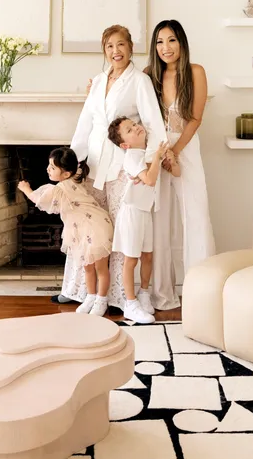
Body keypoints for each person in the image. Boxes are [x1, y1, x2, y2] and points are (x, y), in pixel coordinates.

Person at [59, 24, 167, 312]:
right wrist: (71, 161)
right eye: (109, 46)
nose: (115, 51)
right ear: (104, 51)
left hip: (123, 167)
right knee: (96, 231)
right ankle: (91, 293)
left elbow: (153, 123)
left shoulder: (139, 82)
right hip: (93, 165)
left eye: (120, 45)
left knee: (123, 232)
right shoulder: (97, 81)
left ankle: (125, 296)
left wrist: (149, 161)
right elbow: (86, 123)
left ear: (130, 47)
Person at [146, 19, 215, 310]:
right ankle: (163, 295)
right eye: (160, 42)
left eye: (171, 40)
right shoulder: (149, 74)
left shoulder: (195, 72)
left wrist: (174, 150)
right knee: (159, 222)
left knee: (195, 216)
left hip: (185, 148)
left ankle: (203, 295)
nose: (166, 48)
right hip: (157, 152)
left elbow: (195, 118)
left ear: (181, 42)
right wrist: (162, 152)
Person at [18, 147, 113, 316]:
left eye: (53, 167)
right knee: (87, 266)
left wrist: (26, 189)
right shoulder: (74, 178)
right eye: (49, 165)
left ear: (66, 174)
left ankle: (101, 300)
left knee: (100, 267)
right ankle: (90, 297)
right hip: (80, 230)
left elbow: (39, 200)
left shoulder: (61, 189)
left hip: (96, 226)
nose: (48, 169)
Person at [107, 116, 173, 324]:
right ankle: (131, 302)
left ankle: (144, 293)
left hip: (144, 211)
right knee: (131, 260)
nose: (136, 128)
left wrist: (157, 158)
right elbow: (151, 180)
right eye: (129, 129)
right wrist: (158, 158)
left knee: (147, 256)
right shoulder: (133, 158)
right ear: (124, 144)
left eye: (134, 124)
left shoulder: (143, 155)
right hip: (132, 213)